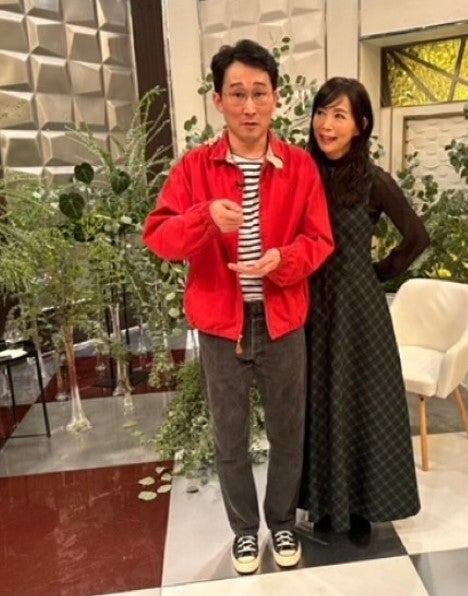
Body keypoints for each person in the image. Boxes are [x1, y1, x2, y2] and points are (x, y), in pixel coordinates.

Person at [143, 39, 334, 575]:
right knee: (229, 435)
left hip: (283, 319)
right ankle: (245, 532)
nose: (249, 106)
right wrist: (205, 218)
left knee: (288, 432)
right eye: (237, 94)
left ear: (276, 99)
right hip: (221, 324)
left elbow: (319, 240)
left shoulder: (299, 166)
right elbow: (159, 237)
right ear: (218, 100)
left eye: (259, 93)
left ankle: (282, 522)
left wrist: (282, 260)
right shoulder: (194, 168)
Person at [300, 77, 429, 536]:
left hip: (358, 312)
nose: (326, 124)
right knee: (315, 402)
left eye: (339, 115)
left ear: (361, 125)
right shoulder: (299, 173)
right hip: (307, 304)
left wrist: (375, 272)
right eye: (321, 112)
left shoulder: (374, 181)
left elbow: (417, 237)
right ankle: (321, 504)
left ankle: (359, 510)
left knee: (358, 402)